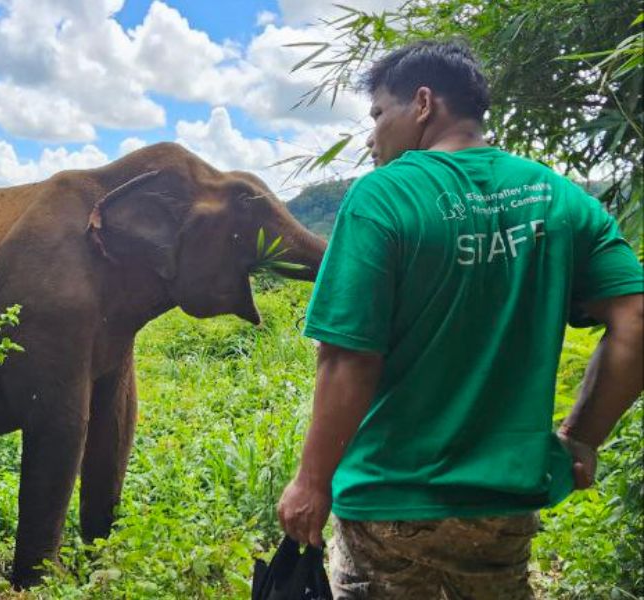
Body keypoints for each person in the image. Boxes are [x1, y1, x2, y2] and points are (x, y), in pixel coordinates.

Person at [276, 40, 644, 599]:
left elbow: (349, 355)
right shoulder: (562, 200)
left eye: (378, 115)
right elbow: (636, 320)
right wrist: (582, 439)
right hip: (503, 503)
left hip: (389, 497)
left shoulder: (382, 197)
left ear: (423, 103)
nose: (373, 135)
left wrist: (311, 481)